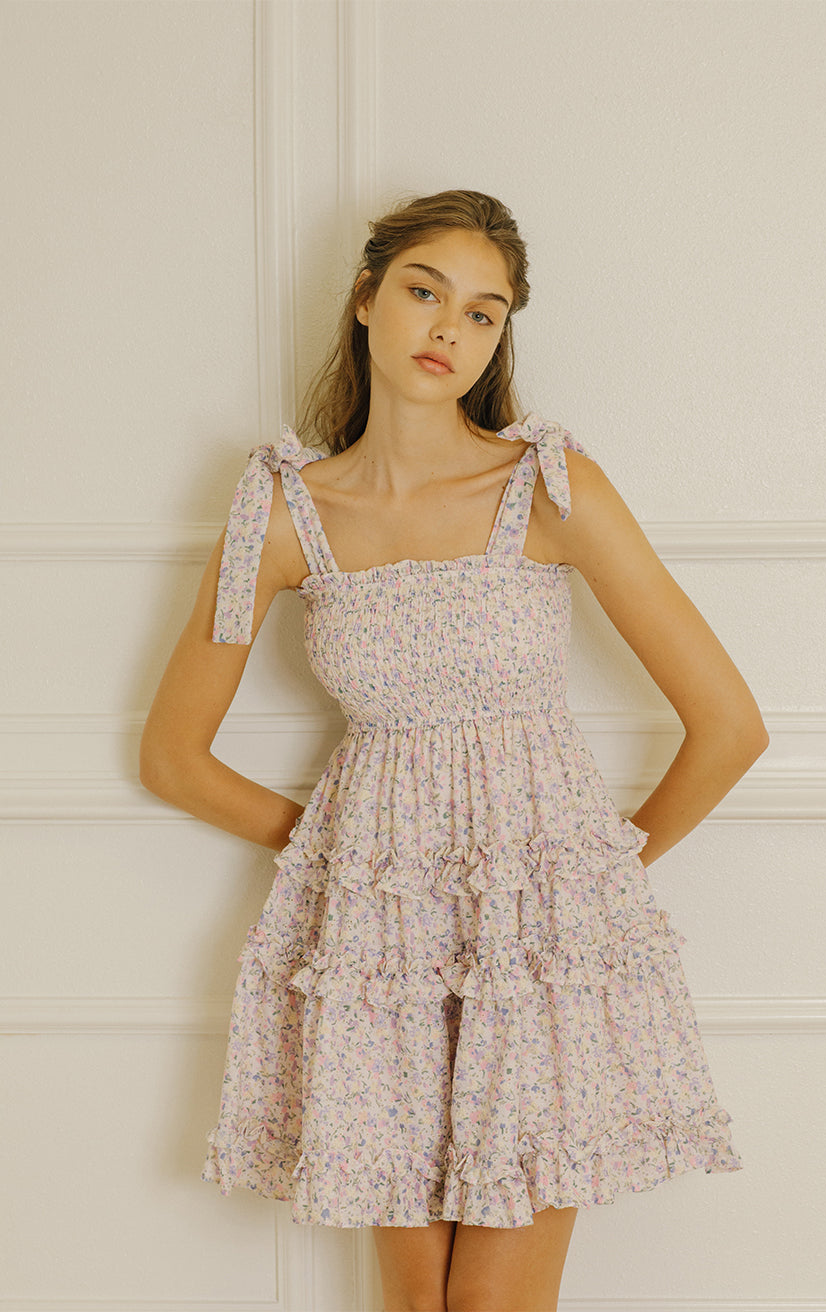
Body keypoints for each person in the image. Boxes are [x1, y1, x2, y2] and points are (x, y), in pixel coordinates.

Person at [140, 188, 768, 1312]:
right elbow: (174, 757)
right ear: (366, 299)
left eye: (483, 312)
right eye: (425, 291)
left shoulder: (548, 486)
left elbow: (729, 726)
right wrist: (344, 864)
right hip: (381, 954)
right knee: (415, 1304)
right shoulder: (282, 511)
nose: (449, 328)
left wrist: (593, 876)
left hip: (537, 947)